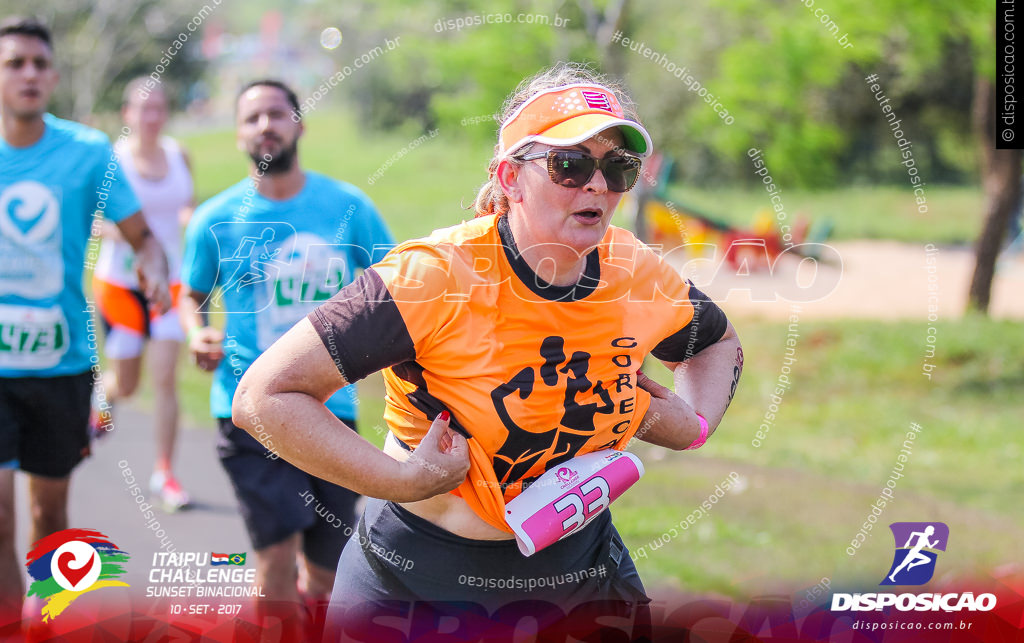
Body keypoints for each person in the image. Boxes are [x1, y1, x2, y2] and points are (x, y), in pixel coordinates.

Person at [233, 62, 743, 638]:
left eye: (617, 167)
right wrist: (397, 480)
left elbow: (717, 342)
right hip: (415, 582)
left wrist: (693, 423)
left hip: (582, 574)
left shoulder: (633, 270)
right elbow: (264, 396)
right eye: (570, 165)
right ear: (510, 177)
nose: (597, 186)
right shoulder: (434, 276)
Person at [179, 80, 393, 628]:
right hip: (249, 411)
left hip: (331, 410)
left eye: (276, 114)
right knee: (275, 561)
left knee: (325, 575)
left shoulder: (348, 207)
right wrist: (197, 331)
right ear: (237, 135)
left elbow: (392, 285)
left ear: (299, 124)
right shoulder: (216, 218)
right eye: (252, 118)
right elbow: (192, 294)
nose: (265, 125)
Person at [0, 17, 169, 623]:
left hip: (61, 365)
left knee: (50, 517)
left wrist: (152, 269)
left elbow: (144, 237)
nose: (28, 74)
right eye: (14, 63)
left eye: (39, 64)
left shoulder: (86, 152)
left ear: (54, 75)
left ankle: (53, 623)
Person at [92, 77, 194, 511]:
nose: (151, 116)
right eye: (142, 108)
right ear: (127, 114)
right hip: (120, 285)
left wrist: (192, 220)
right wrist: (133, 236)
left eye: (158, 108)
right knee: (129, 386)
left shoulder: (178, 154)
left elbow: (185, 204)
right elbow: (93, 221)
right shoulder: (112, 161)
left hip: (169, 285)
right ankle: (102, 396)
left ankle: (165, 473)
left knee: (167, 378)